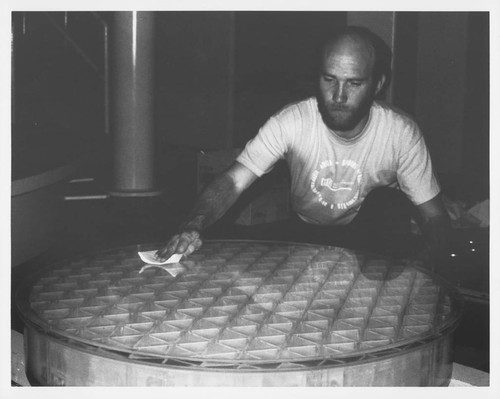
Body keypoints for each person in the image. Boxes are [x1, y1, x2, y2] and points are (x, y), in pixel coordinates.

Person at [157, 26, 450, 266]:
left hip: (372, 238)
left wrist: (421, 269)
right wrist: (193, 224)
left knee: (389, 204)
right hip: (306, 233)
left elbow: (435, 218)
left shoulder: (400, 132)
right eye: (329, 79)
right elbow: (232, 181)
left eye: (354, 83)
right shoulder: (292, 121)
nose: (338, 95)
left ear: (377, 84)